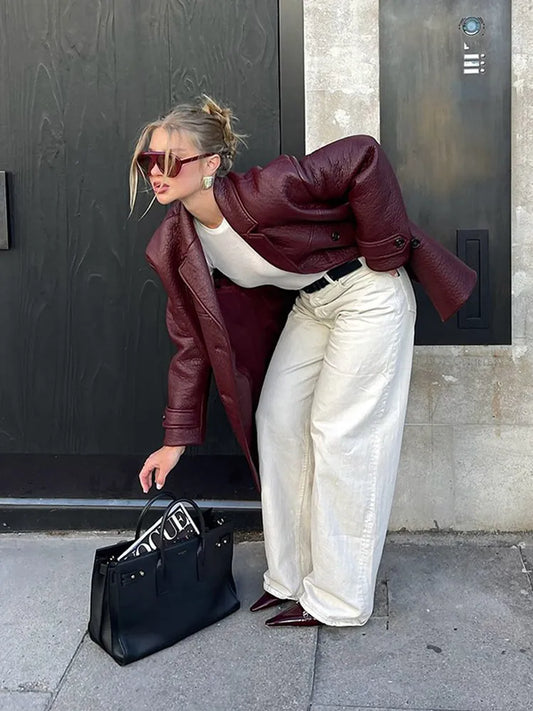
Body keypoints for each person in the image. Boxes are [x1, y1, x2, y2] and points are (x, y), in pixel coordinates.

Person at [130, 96, 476, 627]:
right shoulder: (174, 242)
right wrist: (174, 440)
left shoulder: (266, 189)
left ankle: (340, 598)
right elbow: (191, 342)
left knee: (340, 434)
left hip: (367, 293)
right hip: (315, 305)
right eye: (149, 161)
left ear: (211, 164)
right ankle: (291, 577)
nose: (159, 172)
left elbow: (363, 155)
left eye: (173, 160)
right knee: (277, 421)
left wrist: (386, 253)